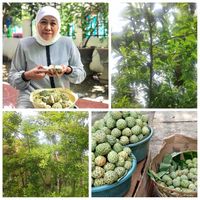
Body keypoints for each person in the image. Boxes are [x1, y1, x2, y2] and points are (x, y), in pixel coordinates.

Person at [8, 6, 86, 108]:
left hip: (61, 98)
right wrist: (27, 75)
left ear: (58, 26)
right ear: (37, 24)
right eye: (43, 22)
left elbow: (81, 74)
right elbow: (12, 77)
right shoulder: (24, 44)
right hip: (30, 97)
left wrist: (68, 70)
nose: (48, 28)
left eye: (53, 23)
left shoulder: (67, 43)